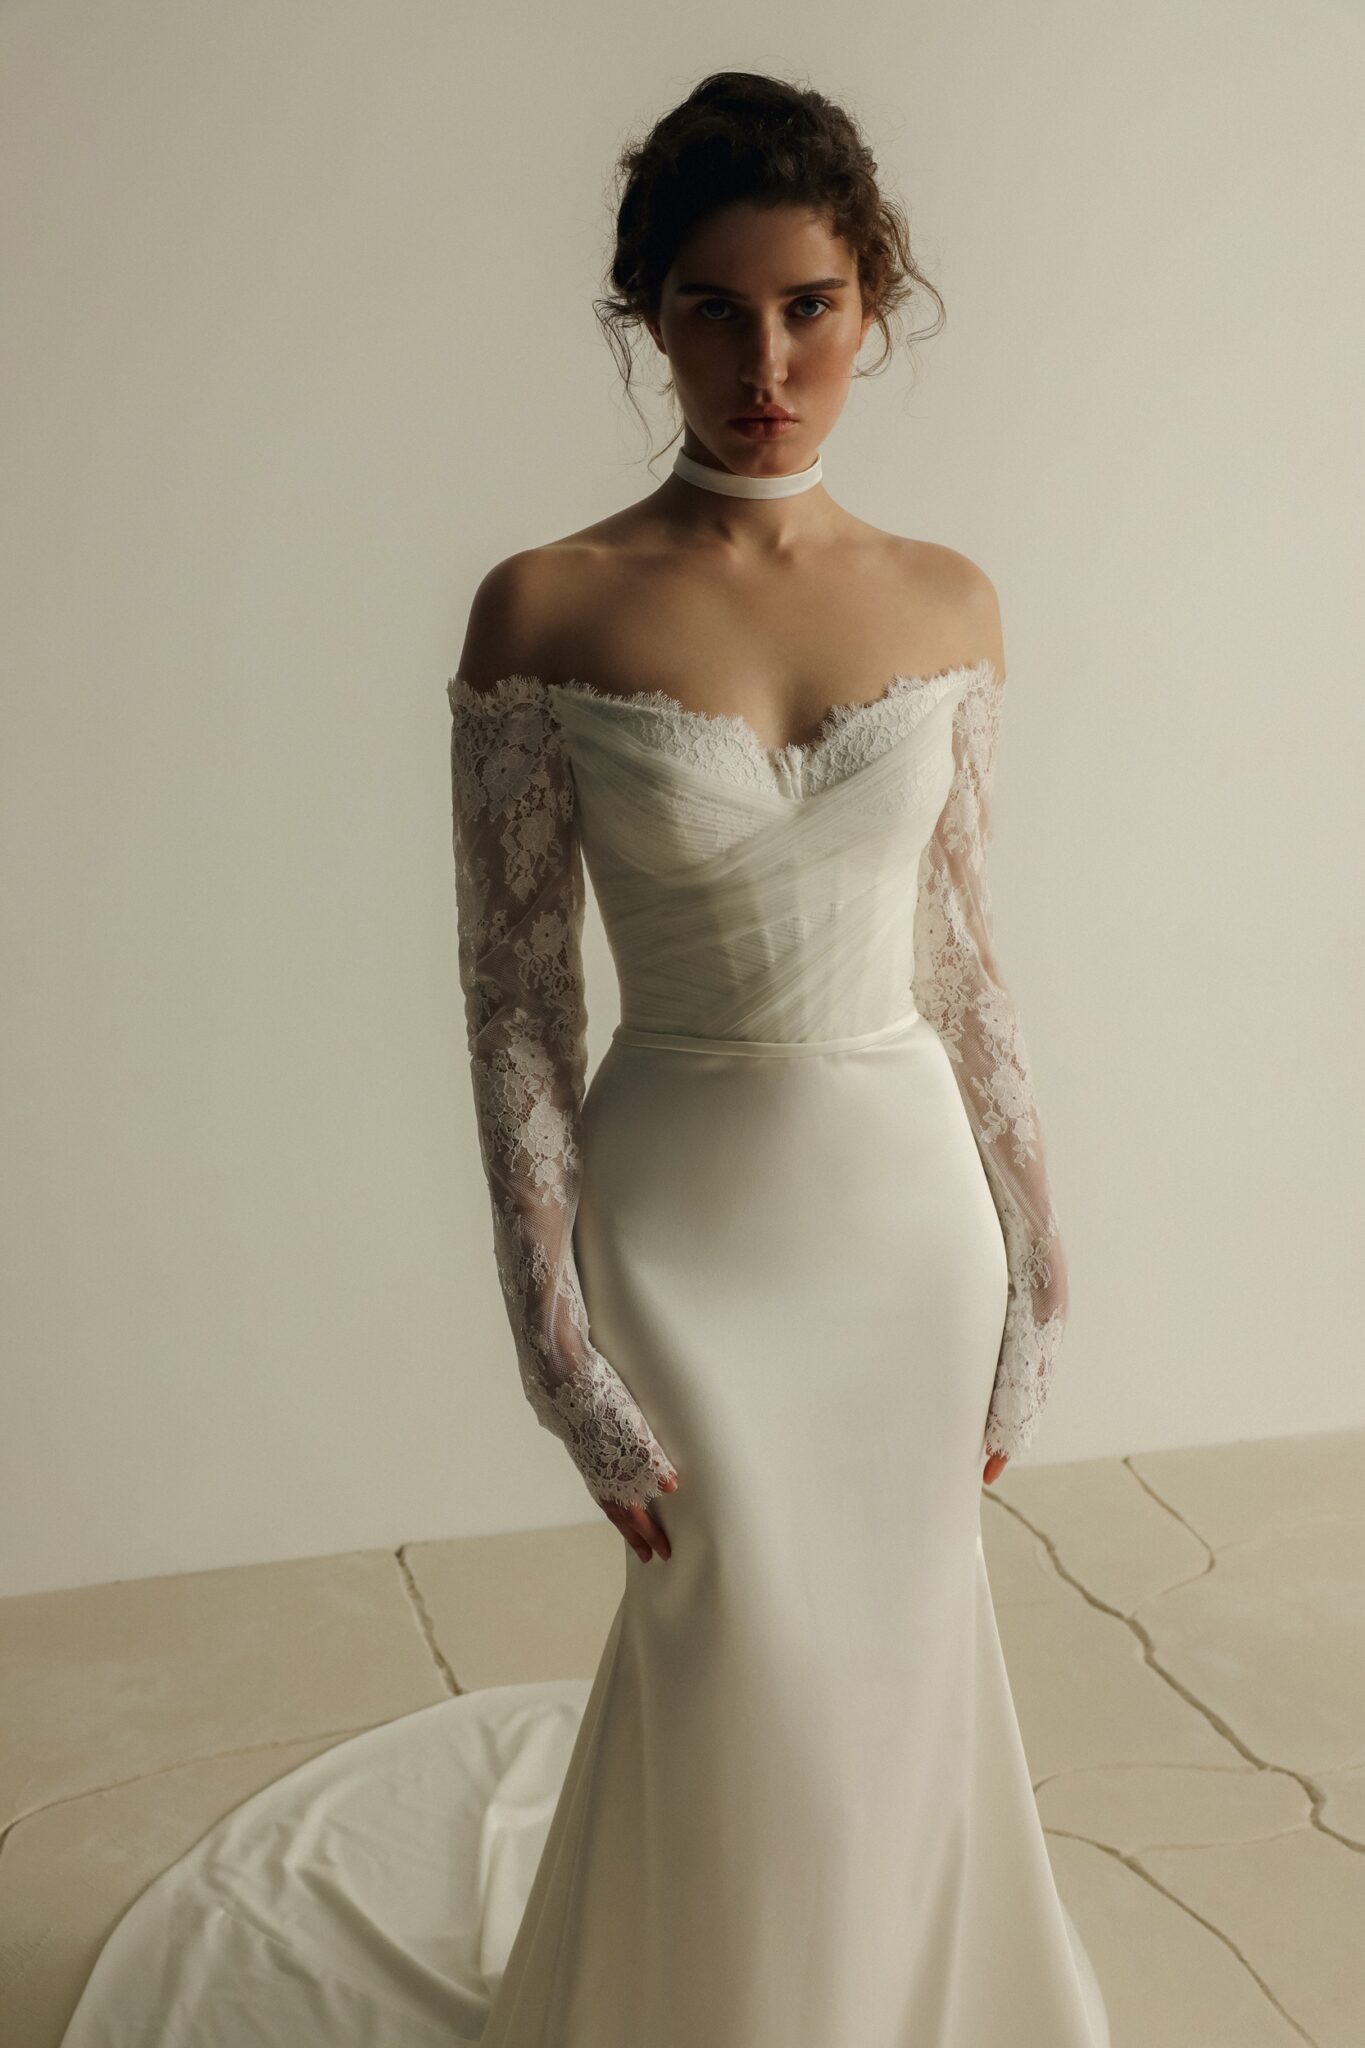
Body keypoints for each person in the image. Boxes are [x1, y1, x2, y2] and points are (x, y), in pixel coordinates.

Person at [56, 68, 1108, 2048]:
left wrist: (1042, 1266)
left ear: (870, 302)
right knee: (737, 1653)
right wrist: (549, 1336)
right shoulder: (544, 608)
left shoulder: (948, 600)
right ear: (647, 316)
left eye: (805, 306)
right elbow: (515, 998)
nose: (764, 365)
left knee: (894, 1651)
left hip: (908, 1218)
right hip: (684, 1219)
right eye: (711, 309)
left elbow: (965, 962)